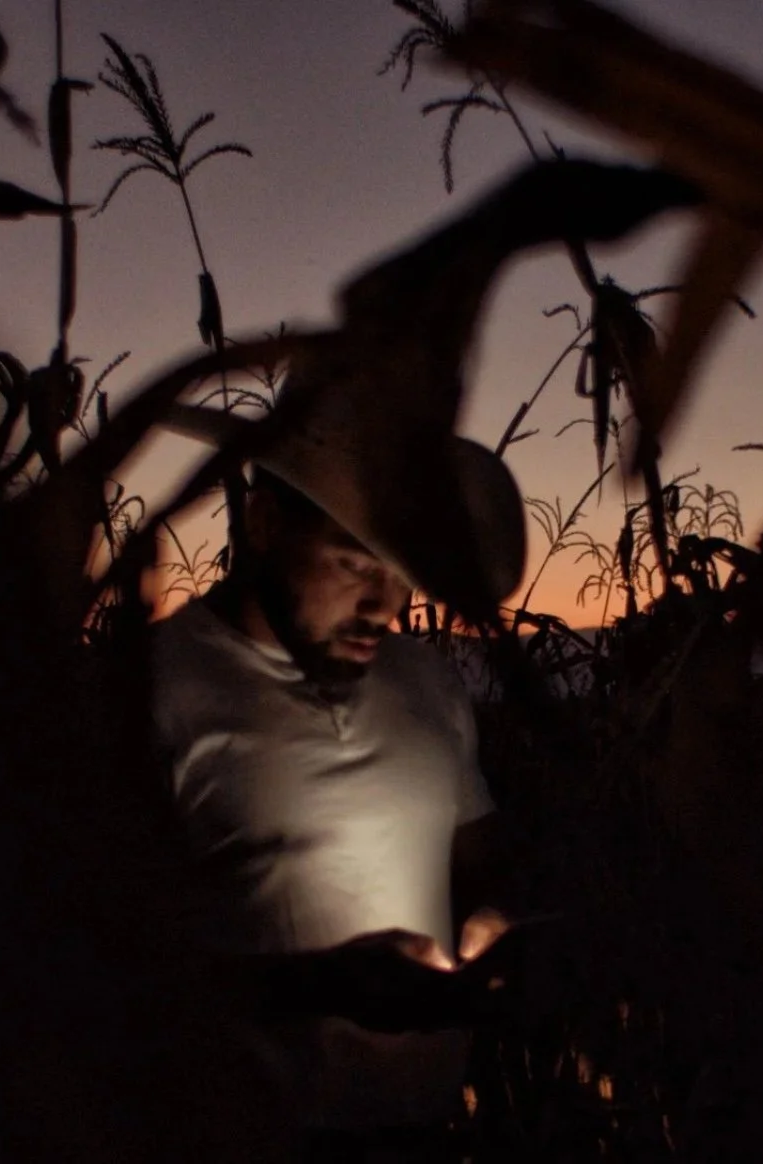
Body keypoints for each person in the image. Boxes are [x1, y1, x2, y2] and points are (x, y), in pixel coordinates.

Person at [150, 391, 528, 1158]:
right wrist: (318, 986)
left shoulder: (427, 681)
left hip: (427, 1132)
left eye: (402, 572)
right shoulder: (150, 691)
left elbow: (481, 856)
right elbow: (85, 968)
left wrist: (499, 924)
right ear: (263, 525)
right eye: (355, 562)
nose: (385, 604)